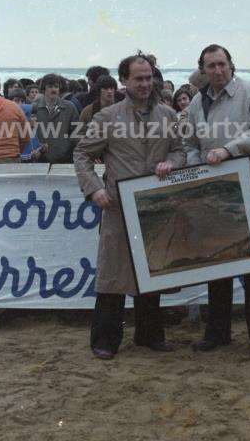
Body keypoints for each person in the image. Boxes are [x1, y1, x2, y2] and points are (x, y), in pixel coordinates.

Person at [74, 53, 185, 360]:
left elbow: (180, 152)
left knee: (152, 273)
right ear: (124, 81)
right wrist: (94, 189)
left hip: (155, 206)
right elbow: (82, 155)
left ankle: (149, 335)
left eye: (149, 77)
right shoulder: (107, 117)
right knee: (112, 276)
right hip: (117, 208)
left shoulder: (168, 115)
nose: (145, 83)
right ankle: (106, 340)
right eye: (138, 78)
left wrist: (170, 162)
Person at [184, 44, 250, 358]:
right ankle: (218, 333)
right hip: (215, 196)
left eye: (222, 64)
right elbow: (190, 142)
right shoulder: (197, 101)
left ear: (230, 65)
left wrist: (228, 151)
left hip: (249, 193)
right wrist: (197, 163)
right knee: (218, 268)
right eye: (210, 66)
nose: (217, 71)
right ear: (203, 70)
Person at [32, 73, 79, 164]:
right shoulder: (34, 108)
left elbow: (76, 133)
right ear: (44, 88)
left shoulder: (69, 107)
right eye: (50, 86)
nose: (53, 89)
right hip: (41, 159)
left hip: (65, 159)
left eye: (56, 86)